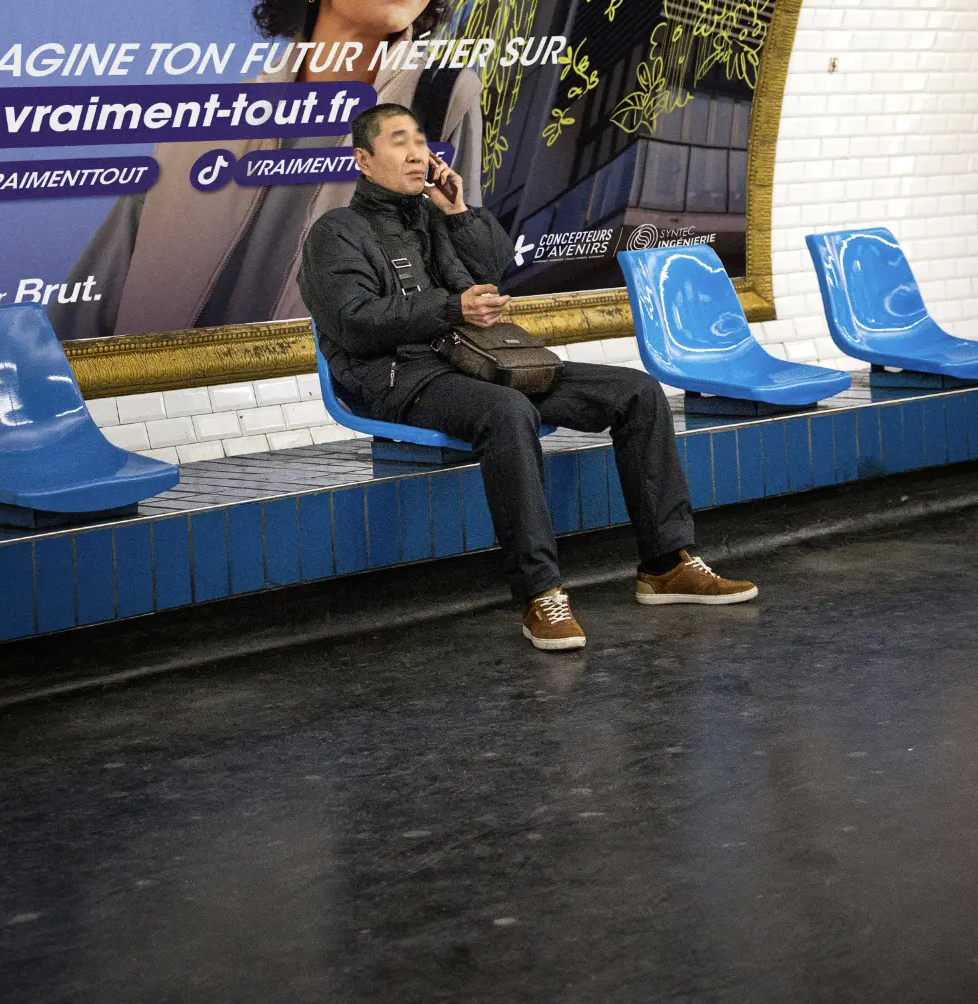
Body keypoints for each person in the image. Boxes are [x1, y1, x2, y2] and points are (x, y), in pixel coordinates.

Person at [299, 101, 759, 652]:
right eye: (400, 141)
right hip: (397, 378)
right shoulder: (337, 232)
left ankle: (665, 564)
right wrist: (451, 311)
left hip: (473, 361)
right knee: (510, 412)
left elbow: (492, 268)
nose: (417, 152)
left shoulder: (430, 216)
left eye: (421, 140)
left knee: (635, 392)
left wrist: (459, 211)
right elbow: (352, 325)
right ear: (364, 161)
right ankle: (540, 592)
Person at [52, 0, 488, 340]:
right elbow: (85, 312)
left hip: (323, 410)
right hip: (163, 407)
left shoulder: (441, 100)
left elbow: (465, 283)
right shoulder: (206, 121)